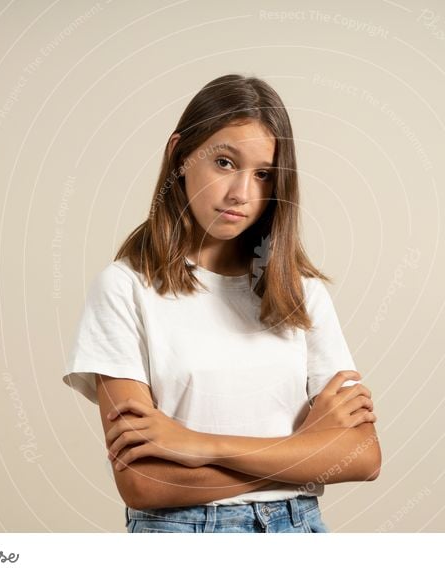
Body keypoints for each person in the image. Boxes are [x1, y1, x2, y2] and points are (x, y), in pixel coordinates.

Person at [62, 73, 381, 533]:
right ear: (179, 154)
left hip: (298, 530)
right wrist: (306, 446)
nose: (242, 194)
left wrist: (197, 445)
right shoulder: (124, 289)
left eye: (263, 174)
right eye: (225, 162)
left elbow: (363, 456)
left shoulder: (301, 294)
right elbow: (143, 482)